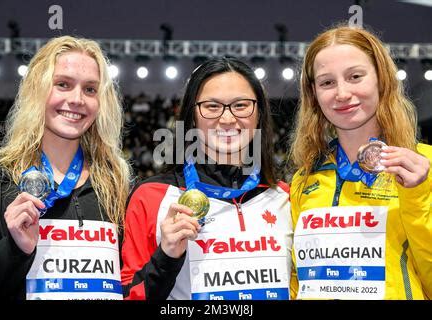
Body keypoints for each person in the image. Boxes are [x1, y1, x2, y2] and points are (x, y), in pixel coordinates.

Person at [121, 57, 294, 300]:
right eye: (212, 106)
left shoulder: (286, 197)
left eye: (241, 105)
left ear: (259, 114)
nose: (227, 119)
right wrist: (166, 257)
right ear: (192, 117)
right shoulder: (151, 197)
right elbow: (128, 294)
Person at [0, 36, 132, 299]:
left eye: (90, 89)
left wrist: (166, 255)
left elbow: (130, 285)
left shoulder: (116, 184)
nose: (77, 99)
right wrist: (14, 250)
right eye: (63, 84)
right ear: (36, 90)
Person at [289, 25, 432, 300]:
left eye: (355, 76)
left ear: (382, 79)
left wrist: (417, 195)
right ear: (314, 94)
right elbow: (298, 282)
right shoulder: (305, 179)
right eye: (327, 82)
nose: (342, 93)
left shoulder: (424, 165)